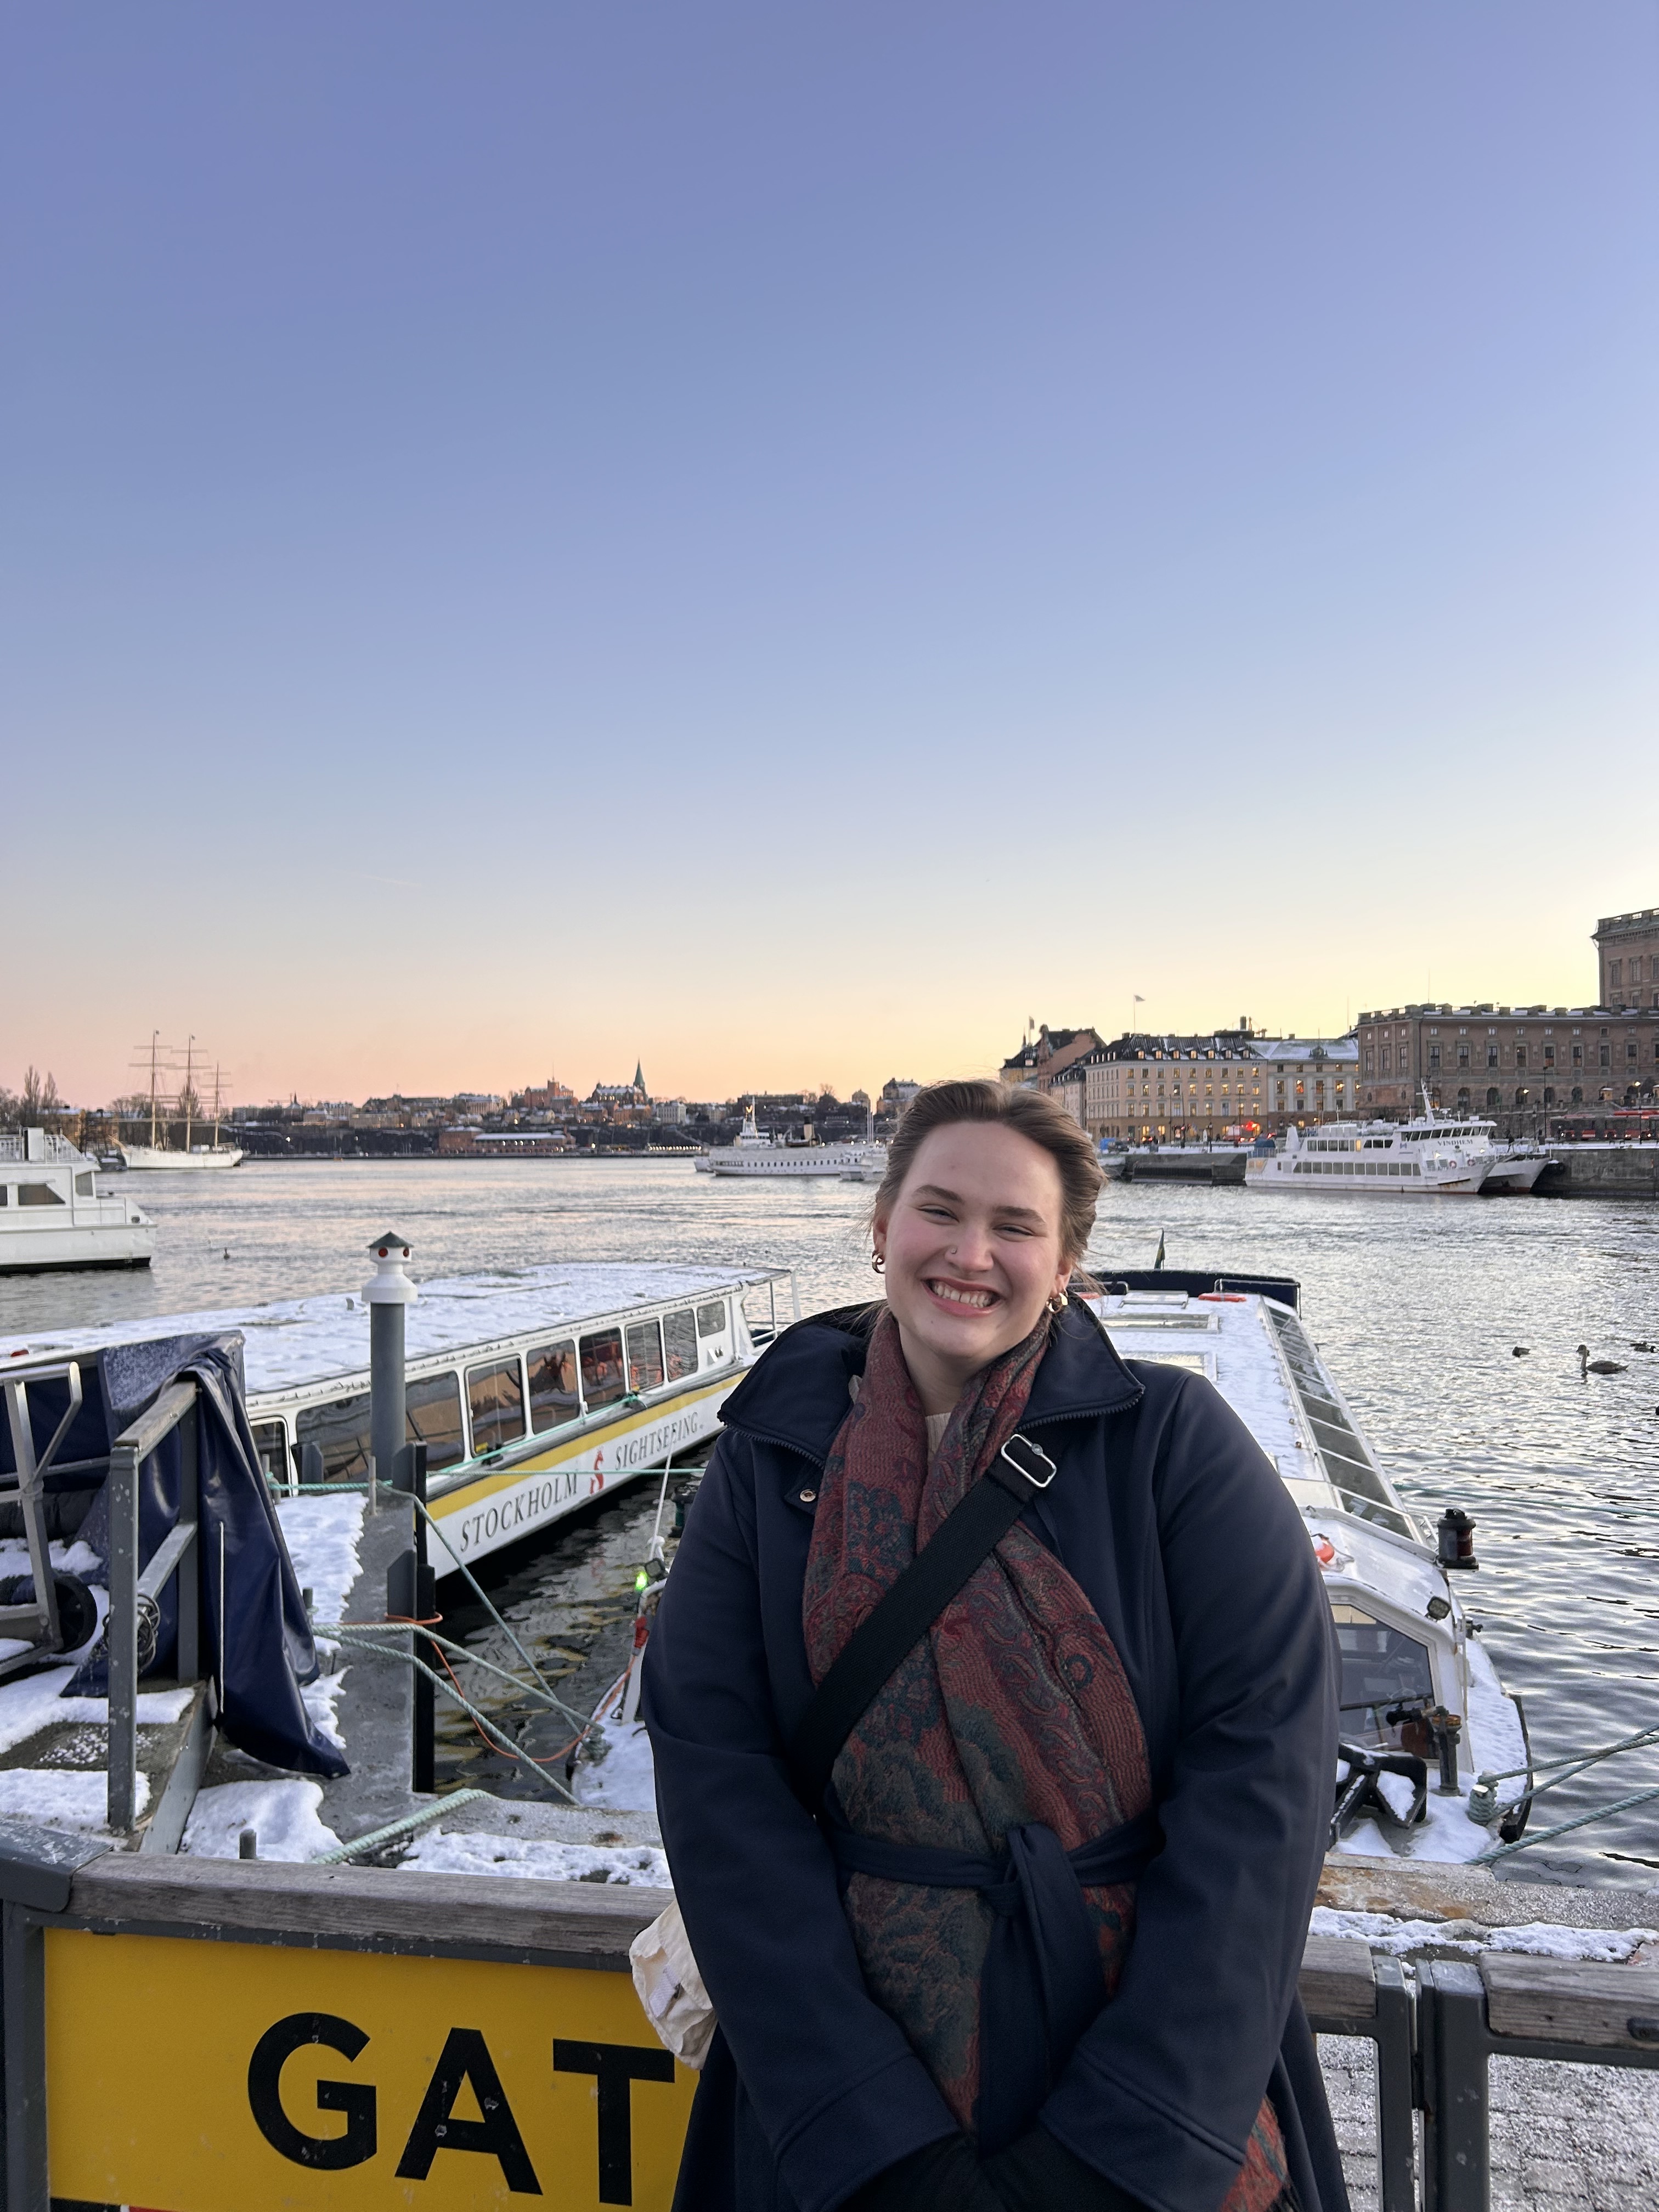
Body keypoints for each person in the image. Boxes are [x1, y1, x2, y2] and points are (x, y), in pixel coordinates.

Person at [644, 1080, 1346, 2212]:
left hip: (1138, 2067)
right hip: (849, 2079)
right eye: (940, 1210)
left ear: (1066, 1263)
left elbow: (1262, 1792)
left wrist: (1123, 2144)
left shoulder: (1176, 1446)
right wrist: (876, 2139)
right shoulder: (767, 1461)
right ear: (882, 1226)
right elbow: (719, 1785)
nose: (970, 1254)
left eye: (1015, 1226)